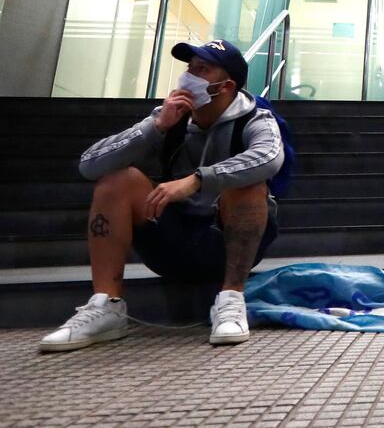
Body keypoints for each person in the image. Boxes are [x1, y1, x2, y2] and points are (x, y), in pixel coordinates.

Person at [39, 39, 284, 352]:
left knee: (250, 184)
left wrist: (197, 180)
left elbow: (269, 157)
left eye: (202, 69)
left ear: (225, 86)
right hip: (171, 239)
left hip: (229, 245)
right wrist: (156, 127)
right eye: (189, 68)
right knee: (118, 181)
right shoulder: (168, 117)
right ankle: (107, 306)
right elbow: (90, 164)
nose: (188, 76)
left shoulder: (255, 118)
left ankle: (231, 299)